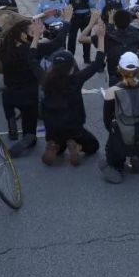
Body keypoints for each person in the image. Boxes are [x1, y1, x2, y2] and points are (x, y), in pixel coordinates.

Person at [0, 7, 71, 156]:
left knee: (6, 96)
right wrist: (67, 21)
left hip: (10, 93)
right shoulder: (33, 50)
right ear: (23, 36)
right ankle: (24, 141)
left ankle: (11, 123)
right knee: (30, 133)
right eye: (33, 33)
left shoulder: (4, 47)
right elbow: (57, 42)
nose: (38, 35)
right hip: (29, 97)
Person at [30, 20, 106, 167]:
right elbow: (97, 63)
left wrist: (36, 36)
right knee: (93, 147)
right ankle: (75, 144)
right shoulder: (76, 79)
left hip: (52, 128)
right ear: (72, 68)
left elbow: (32, 59)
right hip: (74, 126)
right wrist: (101, 37)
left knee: (58, 144)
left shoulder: (44, 78)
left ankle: (54, 145)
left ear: (53, 66)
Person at [100, 52, 139, 184]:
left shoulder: (111, 92)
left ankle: (117, 165)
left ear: (119, 70)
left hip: (121, 139)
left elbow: (106, 122)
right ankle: (136, 155)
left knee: (111, 149)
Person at [79, 8, 139, 85]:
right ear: (130, 22)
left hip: (115, 78)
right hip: (133, 76)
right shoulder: (136, 36)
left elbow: (81, 38)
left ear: (115, 22)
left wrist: (91, 23)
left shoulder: (107, 37)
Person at [63, 0, 95, 64]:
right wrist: (68, 10)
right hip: (74, 17)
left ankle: (87, 58)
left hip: (85, 17)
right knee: (72, 38)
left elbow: (93, 4)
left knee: (86, 38)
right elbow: (64, 4)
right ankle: (70, 58)